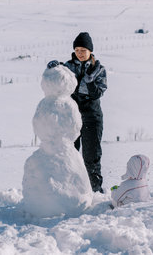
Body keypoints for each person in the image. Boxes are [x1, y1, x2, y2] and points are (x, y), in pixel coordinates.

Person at [47, 32, 107, 193]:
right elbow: (58, 80)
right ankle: (69, 190)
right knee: (68, 154)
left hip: (92, 117)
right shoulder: (68, 66)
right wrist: (54, 68)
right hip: (71, 116)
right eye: (77, 49)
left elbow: (97, 94)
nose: (80, 53)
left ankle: (95, 190)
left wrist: (90, 82)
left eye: (83, 50)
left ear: (90, 51)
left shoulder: (99, 70)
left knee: (91, 156)